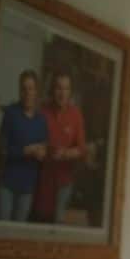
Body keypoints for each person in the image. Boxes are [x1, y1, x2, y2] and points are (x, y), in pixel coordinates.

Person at [0, 69, 49, 222]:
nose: (27, 92)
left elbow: (44, 151)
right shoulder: (10, 114)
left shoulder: (41, 121)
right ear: (20, 90)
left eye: (31, 88)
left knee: (17, 233)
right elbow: (1, 149)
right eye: (24, 88)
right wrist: (25, 151)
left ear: (36, 91)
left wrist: (42, 153)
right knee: (2, 232)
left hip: (28, 188)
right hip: (7, 185)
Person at [34, 70, 87, 224]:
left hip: (64, 181)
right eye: (58, 88)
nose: (62, 93)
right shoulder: (42, 111)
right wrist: (39, 149)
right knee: (39, 223)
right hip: (41, 180)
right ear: (52, 90)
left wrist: (65, 154)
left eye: (66, 88)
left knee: (57, 225)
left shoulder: (76, 114)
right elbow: (34, 140)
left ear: (70, 91)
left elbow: (82, 149)